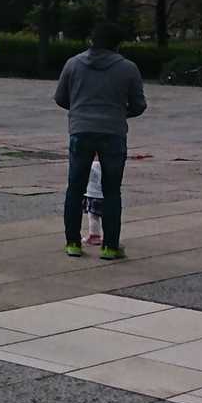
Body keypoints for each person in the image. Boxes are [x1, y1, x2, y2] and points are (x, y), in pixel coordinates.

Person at [52, 22, 146, 260]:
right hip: (113, 133)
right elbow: (139, 105)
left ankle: (73, 243)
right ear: (117, 44)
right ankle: (110, 247)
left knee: (75, 188)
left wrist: (80, 110)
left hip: (80, 131)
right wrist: (118, 113)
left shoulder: (73, 64)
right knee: (112, 191)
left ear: (91, 41)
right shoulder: (128, 68)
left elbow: (60, 97)